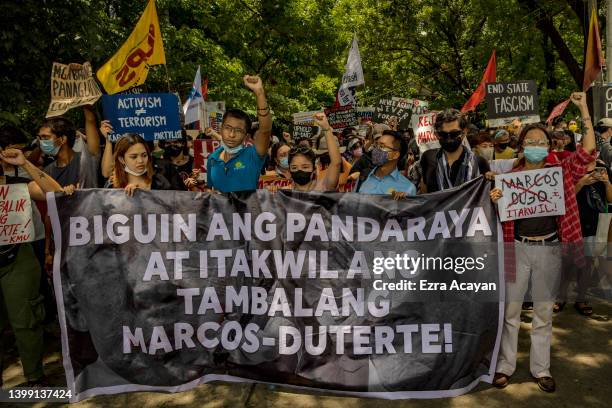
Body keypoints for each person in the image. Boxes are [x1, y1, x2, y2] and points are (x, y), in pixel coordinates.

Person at [490, 91, 596, 393]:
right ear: (521, 145)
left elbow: (588, 151)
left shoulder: (559, 173)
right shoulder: (510, 176)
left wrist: (583, 108)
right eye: (530, 141)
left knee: (543, 312)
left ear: (549, 146)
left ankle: (541, 368)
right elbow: (499, 213)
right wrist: (495, 198)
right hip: (516, 248)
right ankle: (505, 366)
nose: (535, 145)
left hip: (549, 248)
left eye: (541, 141)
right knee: (510, 312)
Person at [0, 147, 67, 387]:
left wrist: (25, 164)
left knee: (26, 321)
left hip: (18, 258)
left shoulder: (18, 184)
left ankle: (35, 378)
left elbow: (57, 192)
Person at [556, 160, 612, 316]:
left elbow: (610, 199)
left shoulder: (604, 168)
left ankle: (581, 299)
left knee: (586, 264)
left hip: (593, 226)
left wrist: (607, 182)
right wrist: (581, 183)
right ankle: (561, 297)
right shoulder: (570, 169)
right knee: (567, 263)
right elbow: (562, 199)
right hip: (572, 224)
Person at [207, 76, 272, 193]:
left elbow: (265, 130)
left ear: (246, 136)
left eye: (238, 130)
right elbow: (212, 190)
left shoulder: (253, 155)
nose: (231, 135)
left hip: (249, 211)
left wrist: (259, 93)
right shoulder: (212, 158)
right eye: (228, 128)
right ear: (221, 129)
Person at [419, 109, 489, 193]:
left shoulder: (479, 162)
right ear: (437, 134)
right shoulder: (428, 157)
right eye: (443, 135)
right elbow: (424, 190)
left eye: (454, 134)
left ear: (464, 132)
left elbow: (486, 194)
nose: (449, 139)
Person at [39, 105, 100, 188]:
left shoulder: (87, 158)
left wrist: (84, 100)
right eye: (40, 137)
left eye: (46, 137)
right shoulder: (48, 172)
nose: (41, 141)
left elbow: (90, 120)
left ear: (62, 139)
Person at [282, 112, 341, 192]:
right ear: (289, 170)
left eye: (305, 167)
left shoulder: (323, 187)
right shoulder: (284, 193)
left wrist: (326, 129)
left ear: (314, 169)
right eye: (294, 167)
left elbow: (336, 163)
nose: (299, 170)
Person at [358, 130, 415, 199]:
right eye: (376, 145)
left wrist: (400, 204)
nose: (376, 149)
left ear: (395, 155)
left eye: (382, 146)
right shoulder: (362, 177)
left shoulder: (407, 188)